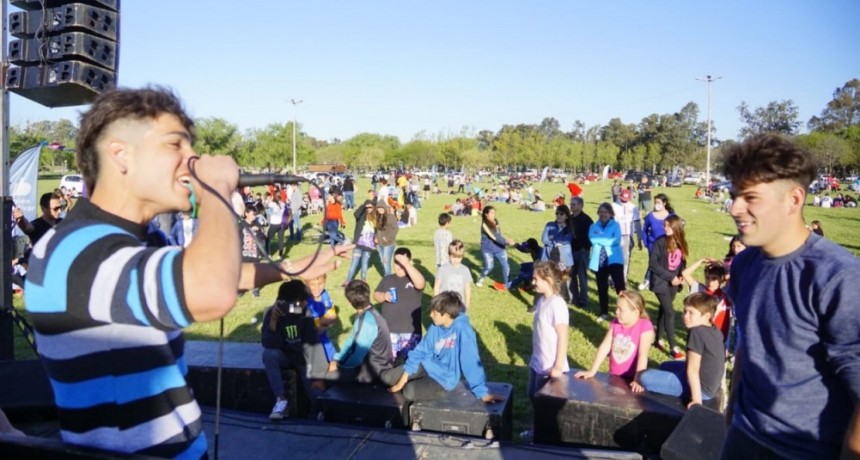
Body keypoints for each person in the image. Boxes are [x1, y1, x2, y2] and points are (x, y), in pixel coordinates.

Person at [23, 87, 351, 458]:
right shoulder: (73, 250)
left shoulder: (142, 238)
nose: (192, 159)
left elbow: (200, 274)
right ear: (120, 154)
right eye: (174, 145)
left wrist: (292, 268)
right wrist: (217, 191)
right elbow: (209, 288)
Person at [720, 134, 860, 460]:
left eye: (750, 197)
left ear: (794, 200)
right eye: (733, 196)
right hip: (745, 434)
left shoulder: (837, 277)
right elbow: (748, 343)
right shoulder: (744, 264)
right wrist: (732, 416)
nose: (734, 208)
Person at [387, 291, 503, 403]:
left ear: (446, 315)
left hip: (444, 378)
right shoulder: (436, 326)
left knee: (409, 392)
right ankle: (412, 378)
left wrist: (482, 393)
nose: (430, 315)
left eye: (434, 313)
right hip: (426, 365)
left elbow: (471, 362)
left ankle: (437, 391)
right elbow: (421, 350)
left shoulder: (463, 330)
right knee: (388, 378)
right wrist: (405, 376)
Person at [640, 292, 725, 409]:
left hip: (702, 389)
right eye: (685, 311)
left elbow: (693, 369)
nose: (685, 316)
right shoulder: (714, 329)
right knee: (665, 365)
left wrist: (696, 399)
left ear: (706, 316)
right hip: (711, 384)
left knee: (644, 377)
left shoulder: (696, 332)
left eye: (691, 313)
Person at [262, 280, 326, 420]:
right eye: (300, 302)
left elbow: (313, 344)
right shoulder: (273, 314)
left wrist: (317, 376)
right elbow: (269, 344)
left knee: (315, 393)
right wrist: (273, 322)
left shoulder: (306, 315)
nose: (303, 304)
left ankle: (317, 412)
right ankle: (281, 401)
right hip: (285, 354)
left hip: (303, 358)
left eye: (304, 302)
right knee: (268, 355)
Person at [575, 290, 653, 391]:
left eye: (621, 310)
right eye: (616, 308)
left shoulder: (645, 326)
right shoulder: (616, 323)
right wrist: (592, 371)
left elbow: (643, 354)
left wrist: (638, 379)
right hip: (614, 377)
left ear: (636, 311)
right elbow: (605, 346)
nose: (616, 312)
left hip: (632, 379)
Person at [325, 280, 395, 384]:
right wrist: (337, 358)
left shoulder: (366, 321)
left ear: (349, 302)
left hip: (374, 372)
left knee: (326, 378)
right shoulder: (371, 312)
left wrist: (338, 365)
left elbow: (356, 356)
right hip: (380, 365)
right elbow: (352, 340)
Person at [527, 262, 570, 410]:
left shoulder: (557, 304)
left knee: (544, 404)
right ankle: (535, 430)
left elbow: (563, 337)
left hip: (549, 366)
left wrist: (558, 366)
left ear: (549, 281)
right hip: (538, 361)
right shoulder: (541, 301)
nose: (533, 283)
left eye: (536, 279)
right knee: (532, 395)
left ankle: (541, 432)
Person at [374, 247, 426, 362]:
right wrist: (383, 296)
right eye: (396, 263)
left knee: (412, 365)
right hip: (390, 331)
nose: (399, 266)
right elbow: (376, 295)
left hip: (411, 332)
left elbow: (421, 284)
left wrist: (406, 264)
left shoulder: (413, 279)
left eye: (402, 263)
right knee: (388, 363)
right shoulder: (387, 279)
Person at [648, 215, 688, 360]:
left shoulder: (681, 243)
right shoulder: (659, 242)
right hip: (661, 282)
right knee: (670, 312)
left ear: (676, 227)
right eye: (664, 225)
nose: (665, 228)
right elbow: (653, 264)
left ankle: (658, 340)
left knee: (664, 310)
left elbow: (682, 262)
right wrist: (671, 277)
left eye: (668, 225)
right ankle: (673, 348)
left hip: (674, 284)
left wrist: (681, 276)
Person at [588, 203, 626, 322]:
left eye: (606, 212)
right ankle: (604, 312)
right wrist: (605, 239)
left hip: (614, 259)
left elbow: (615, 241)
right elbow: (592, 239)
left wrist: (600, 239)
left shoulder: (616, 225)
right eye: (601, 212)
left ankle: (624, 309)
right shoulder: (593, 226)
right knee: (601, 288)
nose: (603, 214)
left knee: (620, 287)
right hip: (599, 261)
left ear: (610, 214)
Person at [681, 259, 730, 342]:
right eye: (707, 278)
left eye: (714, 279)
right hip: (703, 335)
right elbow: (685, 274)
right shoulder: (700, 290)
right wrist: (701, 261)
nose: (710, 282)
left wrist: (721, 265)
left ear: (721, 279)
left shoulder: (726, 292)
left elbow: (733, 277)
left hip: (722, 336)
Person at [638, 193, 675, 290]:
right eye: (655, 202)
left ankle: (662, 281)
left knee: (664, 263)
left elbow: (677, 227)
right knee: (653, 263)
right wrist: (646, 243)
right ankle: (647, 280)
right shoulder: (650, 216)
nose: (656, 204)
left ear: (664, 203)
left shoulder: (671, 215)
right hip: (652, 244)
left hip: (666, 244)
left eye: (659, 202)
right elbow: (644, 230)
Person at [476, 206, 514, 289]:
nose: (494, 215)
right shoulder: (484, 225)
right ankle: (480, 279)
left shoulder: (496, 221)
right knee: (489, 267)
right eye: (492, 213)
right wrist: (506, 242)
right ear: (486, 214)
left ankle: (507, 283)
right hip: (487, 249)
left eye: (494, 213)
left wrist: (505, 241)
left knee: (506, 265)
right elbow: (494, 236)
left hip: (499, 247)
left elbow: (499, 234)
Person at [306, 274, 338, 363]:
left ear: (325, 281)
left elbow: (332, 319)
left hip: (323, 337)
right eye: (312, 285)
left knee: (333, 361)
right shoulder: (303, 300)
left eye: (320, 284)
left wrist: (322, 323)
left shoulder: (325, 295)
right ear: (306, 284)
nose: (317, 288)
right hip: (309, 343)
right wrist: (325, 320)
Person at [568, 196, 593, 308]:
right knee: (571, 275)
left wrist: (585, 248)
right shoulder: (569, 218)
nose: (571, 206)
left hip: (582, 251)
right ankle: (574, 297)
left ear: (580, 205)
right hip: (570, 251)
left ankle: (583, 299)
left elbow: (591, 237)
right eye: (571, 204)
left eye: (574, 204)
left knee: (582, 276)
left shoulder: (587, 220)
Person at [611, 189, 641, 283]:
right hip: (616, 236)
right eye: (622, 199)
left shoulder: (633, 207)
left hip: (627, 236)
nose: (624, 201)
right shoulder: (613, 206)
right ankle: (612, 278)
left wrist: (639, 238)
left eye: (626, 199)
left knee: (625, 258)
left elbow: (637, 223)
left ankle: (623, 278)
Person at [433, 240, 473, 310]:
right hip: (444, 303)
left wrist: (467, 304)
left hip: (459, 304)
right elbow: (437, 286)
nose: (456, 260)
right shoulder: (442, 269)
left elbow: (467, 288)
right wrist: (436, 302)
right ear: (449, 255)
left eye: (459, 257)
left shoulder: (465, 270)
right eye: (454, 257)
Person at [344, 199, 376, 285]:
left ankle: (363, 280)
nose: (369, 209)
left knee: (364, 263)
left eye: (370, 207)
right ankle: (348, 281)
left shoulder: (375, 218)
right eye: (367, 207)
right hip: (358, 244)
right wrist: (364, 205)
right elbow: (356, 213)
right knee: (354, 263)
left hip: (369, 245)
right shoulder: (361, 217)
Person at [541, 204, 574, 274]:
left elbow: (567, 240)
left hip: (564, 259)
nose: (558, 215)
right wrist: (556, 243)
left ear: (567, 216)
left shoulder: (569, 227)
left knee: (563, 281)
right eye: (557, 213)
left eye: (561, 214)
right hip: (548, 257)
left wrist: (552, 238)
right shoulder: (549, 225)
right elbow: (544, 239)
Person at [374, 201, 398, 276]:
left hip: (388, 244)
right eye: (378, 208)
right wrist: (375, 238)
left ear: (385, 208)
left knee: (386, 262)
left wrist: (387, 238)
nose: (380, 209)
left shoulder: (390, 217)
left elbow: (395, 229)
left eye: (381, 208)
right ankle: (387, 276)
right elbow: (377, 230)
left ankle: (387, 278)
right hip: (379, 244)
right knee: (382, 260)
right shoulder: (378, 217)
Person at [266, 193, 287, 257]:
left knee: (268, 239)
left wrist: (269, 199)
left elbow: (266, 207)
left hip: (274, 224)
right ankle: (280, 255)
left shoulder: (272, 204)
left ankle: (269, 254)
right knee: (280, 240)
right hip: (281, 224)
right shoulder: (283, 204)